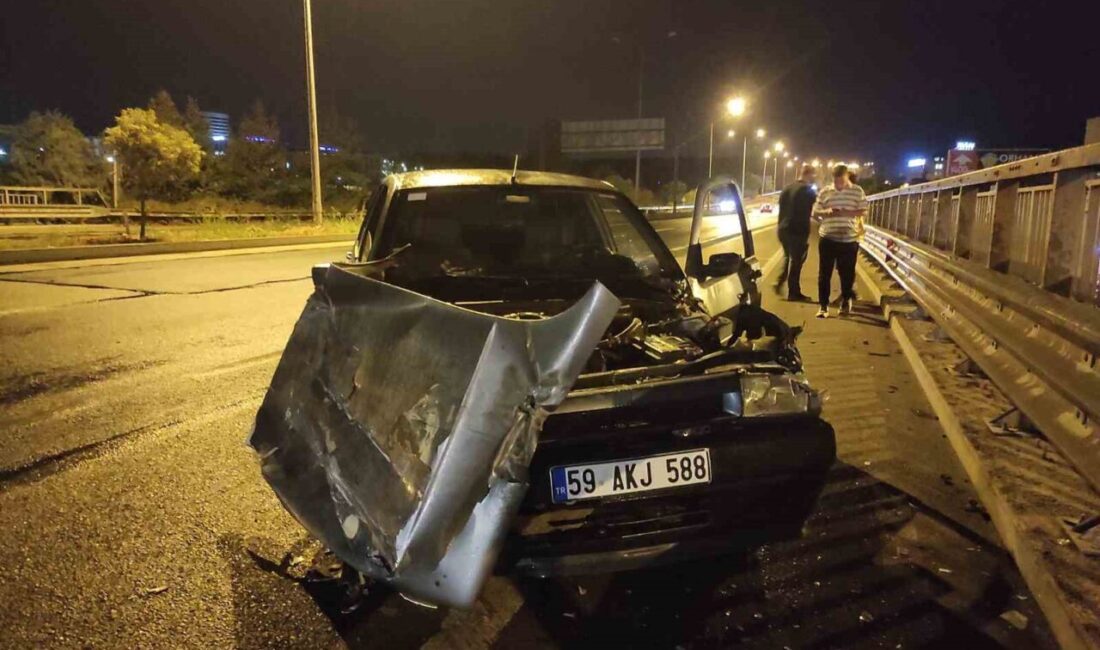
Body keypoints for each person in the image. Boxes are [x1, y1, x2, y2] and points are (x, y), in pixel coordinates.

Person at [813, 164, 867, 318]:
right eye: (836, 181)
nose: (838, 185)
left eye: (841, 181)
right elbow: (815, 212)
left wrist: (845, 212)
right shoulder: (825, 192)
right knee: (824, 274)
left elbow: (863, 210)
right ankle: (823, 306)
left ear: (847, 177)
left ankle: (845, 300)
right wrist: (826, 212)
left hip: (849, 240)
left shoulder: (857, 191)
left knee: (847, 274)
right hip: (828, 238)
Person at [774, 164, 817, 301]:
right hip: (797, 230)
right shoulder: (807, 190)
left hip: (783, 229)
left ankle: (780, 282)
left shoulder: (787, 188)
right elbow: (811, 211)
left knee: (789, 257)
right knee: (797, 261)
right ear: (809, 175)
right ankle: (794, 292)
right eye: (813, 176)